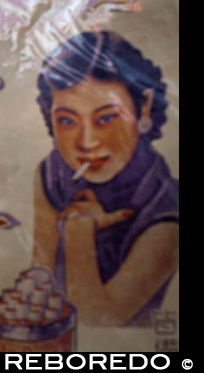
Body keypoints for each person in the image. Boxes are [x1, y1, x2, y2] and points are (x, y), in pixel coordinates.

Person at [31, 31, 178, 327]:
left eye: (107, 117)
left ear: (144, 105)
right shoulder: (53, 173)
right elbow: (40, 282)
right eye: (67, 121)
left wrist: (79, 230)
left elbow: (95, 325)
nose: (87, 142)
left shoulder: (166, 211)